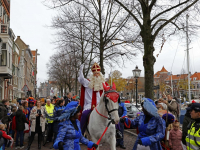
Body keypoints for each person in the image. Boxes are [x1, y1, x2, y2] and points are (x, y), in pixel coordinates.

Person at [78, 63, 105, 134]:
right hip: (89, 105)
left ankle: (116, 132)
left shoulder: (103, 83)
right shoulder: (88, 82)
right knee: (84, 115)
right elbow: (81, 79)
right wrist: (81, 70)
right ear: (93, 74)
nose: (96, 75)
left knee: (112, 114)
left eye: (98, 73)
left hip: (100, 105)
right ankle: (81, 133)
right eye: (95, 73)